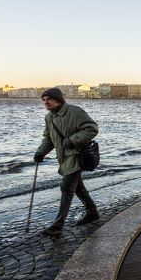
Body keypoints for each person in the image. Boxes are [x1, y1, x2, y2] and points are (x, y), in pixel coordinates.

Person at [33, 87, 100, 237]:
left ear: (58, 99)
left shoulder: (75, 112)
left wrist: (72, 140)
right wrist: (40, 153)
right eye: (44, 100)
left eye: (48, 99)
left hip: (77, 156)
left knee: (66, 187)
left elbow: (92, 128)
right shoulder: (49, 118)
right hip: (64, 158)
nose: (46, 102)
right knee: (77, 188)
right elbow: (49, 139)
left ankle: (58, 225)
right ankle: (92, 212)